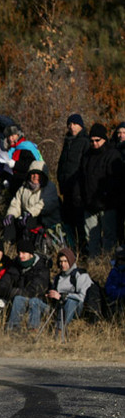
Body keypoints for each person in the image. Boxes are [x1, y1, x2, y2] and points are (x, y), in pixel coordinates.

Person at [79, 122, 123, 258]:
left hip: (107, 205)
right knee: (91, 238)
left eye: (97, 140)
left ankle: (109, 264)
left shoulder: (113, 155)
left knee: (109, 237)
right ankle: (94, 264)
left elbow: (116, 181)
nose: (94, 143)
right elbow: (81, 178)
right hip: (89, 205)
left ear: (104, 139)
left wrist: (106, 198)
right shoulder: (87, 156)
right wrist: (82, 198)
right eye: (91, 141)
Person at [0, 239, 51, 331]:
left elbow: (34, 291)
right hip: (18, 299)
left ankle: (15, 329)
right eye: (19, 253)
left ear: (31, 253)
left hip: (38, 303)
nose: (20, 256)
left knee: (20, 299)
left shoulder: (42, 269)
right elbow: (3, 284)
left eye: (23, 253)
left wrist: (12, 292)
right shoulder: (15, 266)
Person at [32, 248, 93, 329]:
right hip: (57, 308)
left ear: (70, 261)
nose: (62, 264)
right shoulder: (58, 277)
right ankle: (33, 329)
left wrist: (62, 296)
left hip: (75, 310)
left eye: (65, 261)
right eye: (60, 261)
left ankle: (60, 329)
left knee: (71, 301)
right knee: (34, 301)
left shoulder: (80, 275)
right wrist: (50, 296)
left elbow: (83, 297)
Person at [2, 160, 61, 244]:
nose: (35, 177)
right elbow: (16, 203)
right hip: (26, 218)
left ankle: (29, 247)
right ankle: (9, 244)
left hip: (46, 220)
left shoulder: (49, 187)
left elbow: (45, 204)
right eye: (33, 174)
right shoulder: (24, 188)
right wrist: (11, 214)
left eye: (38, 174)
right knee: (9, 221)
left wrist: (30, 213)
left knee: (30, 221)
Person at [56, 114, 89, 252]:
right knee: (68, 223)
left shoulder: (85, 142)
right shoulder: (67, 141)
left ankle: (83, 251)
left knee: (80, 223)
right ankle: (71, 250)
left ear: (81, 125)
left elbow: (85, 166)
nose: (72, 126)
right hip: (66, 188)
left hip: (78, 191)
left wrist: (80, 186)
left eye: (75, 124)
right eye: (69, 124)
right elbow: (62, 163)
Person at [3, 124, 43, 192]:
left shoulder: (25, 147)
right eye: (8, 136)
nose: (10, 138)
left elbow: (30, 165)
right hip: (15, 184)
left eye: (13, 135)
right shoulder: (11, 150)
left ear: (18, 135)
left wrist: (15, 164)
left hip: (27, 184)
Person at [105, 246, 125, 317]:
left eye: (123, 259)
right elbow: (108, 288)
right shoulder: (114, 272)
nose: (121, 262)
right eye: (119, 259)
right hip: (115, 299)